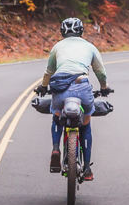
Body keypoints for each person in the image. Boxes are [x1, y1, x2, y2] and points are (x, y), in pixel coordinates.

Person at [37, 17, 110, 181]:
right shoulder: (89, 47)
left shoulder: (57, 47)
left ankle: (56, 148)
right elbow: (101, 73)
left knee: (57, 116)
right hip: (82, 86)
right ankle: (86, 169)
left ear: (62, 32)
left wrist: (43, 86)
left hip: (60, 87)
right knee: (85, 123)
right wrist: (104, 88)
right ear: (81, 31)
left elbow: (49, 71)